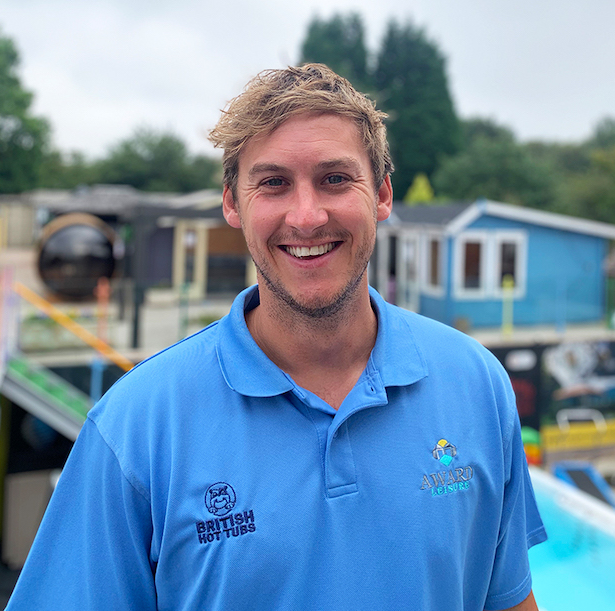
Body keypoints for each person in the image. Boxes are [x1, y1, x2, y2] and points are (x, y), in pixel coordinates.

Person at [7, 64, 546, 611]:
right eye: (273, 183)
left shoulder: (476, 383)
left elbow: (507, 599)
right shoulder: (136, 427)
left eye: (335, 179)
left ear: (382, 195)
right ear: (232, 204)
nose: (306, 217)